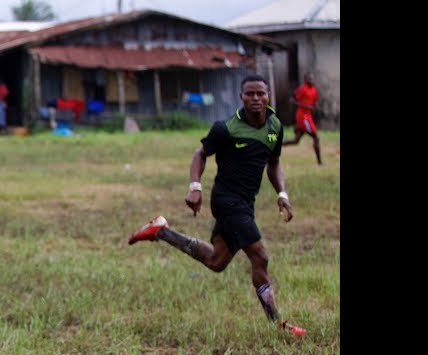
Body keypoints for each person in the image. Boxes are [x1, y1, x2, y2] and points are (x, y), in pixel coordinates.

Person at [128, 74, 306, 338]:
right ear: (241, 97)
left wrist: (282, 193)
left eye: (261, 94)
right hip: (226, 201)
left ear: (268, 96)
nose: (256, 99)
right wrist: (195, 187)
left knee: (216, 260)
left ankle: (161, 231)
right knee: (260, 256)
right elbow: (200, 154)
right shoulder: (226, 128)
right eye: (250, 94)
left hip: (246, 202)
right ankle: (278, 326)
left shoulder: (274, 127)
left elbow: (274, 162)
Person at [283, 72, 322, 165]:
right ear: (306, 80)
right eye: (310, 79)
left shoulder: (313, 89)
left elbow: (314, 101)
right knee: (316, 137)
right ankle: (319, 162)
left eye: (313, 79)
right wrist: (305, 106)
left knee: (296, 141)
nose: (312, 81)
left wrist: (315, 107)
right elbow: (292, 100)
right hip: (303, 116)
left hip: (308, 116)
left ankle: (276, 146)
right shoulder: (302, 89)